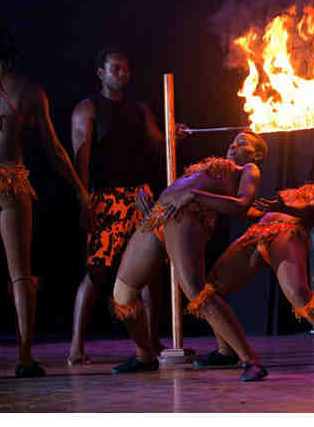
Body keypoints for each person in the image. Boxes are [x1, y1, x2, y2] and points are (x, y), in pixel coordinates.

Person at [109, 131, 270, 381]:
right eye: (233, 141)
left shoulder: (249, 169)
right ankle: (145, 355)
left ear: (257, 154)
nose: (233, 145)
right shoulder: (208, 165)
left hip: (188, 215)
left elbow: (241, 205)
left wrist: (195, 195)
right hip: (159, 215)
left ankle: (252, 362)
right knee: (123, 293)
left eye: (242, 143)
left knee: (196, 291)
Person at [192, 162, 314, 378]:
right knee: (212, 288)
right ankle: (226, 350)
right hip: (257, 232)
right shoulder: (301, 190)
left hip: (286, 232)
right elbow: (256, 212)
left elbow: (311, 209)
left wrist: (281, 207)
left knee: (298, 292)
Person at [68, 48, 186, 365]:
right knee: (96, 273)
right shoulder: (87, 109)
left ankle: (151, 341)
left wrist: (173, 136)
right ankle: (76, 347)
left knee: (149, 270)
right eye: (115, 69)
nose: (122, 74)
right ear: (101, 73)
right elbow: (81, 160)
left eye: (125, 69)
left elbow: (159, 145)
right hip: (106, 198)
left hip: (139, 197)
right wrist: (84, 200)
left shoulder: (139, 110)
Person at [0, 27, 93, 377]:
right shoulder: (28, 91)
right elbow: (55, 150)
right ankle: (24, 358)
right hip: (11, 179)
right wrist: (79, 189)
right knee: (20, 274)